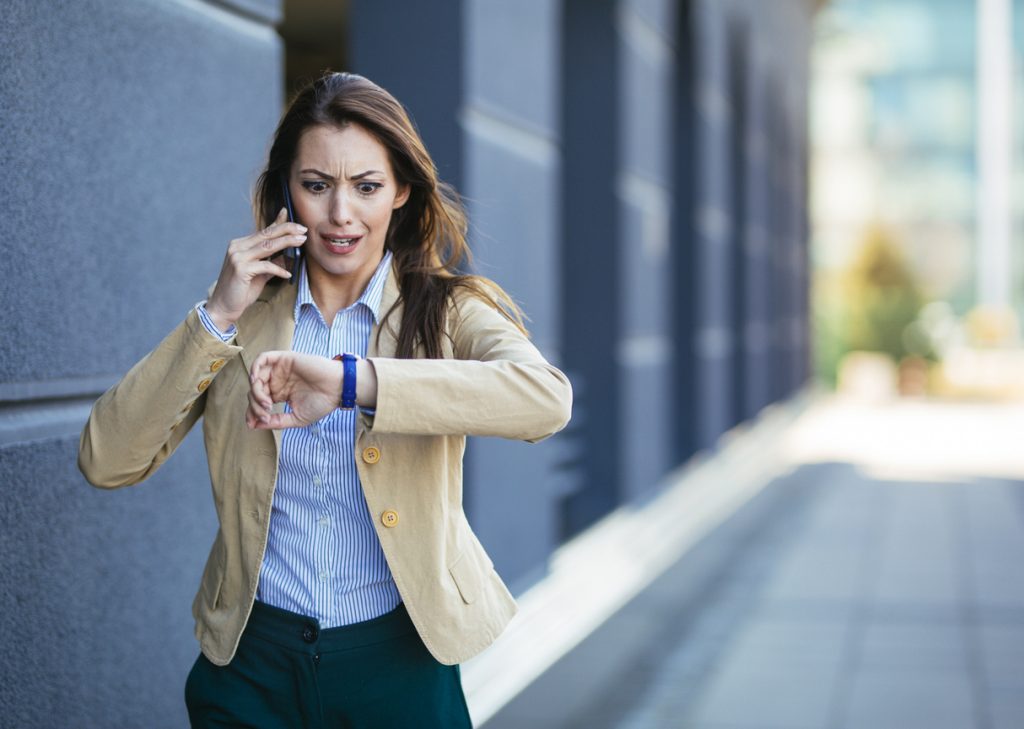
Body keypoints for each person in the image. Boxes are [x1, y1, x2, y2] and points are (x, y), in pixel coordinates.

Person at [78, 71, 572, 728]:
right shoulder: (244, 318)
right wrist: (217, 315)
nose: (341, 214)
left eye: (366, 186)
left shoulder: (449, 309)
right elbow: (107, 458)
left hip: (399, 665)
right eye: (317, 186)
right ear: (290, 189)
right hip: (251, 667)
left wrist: (351, 381)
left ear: (400, 189)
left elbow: (544, 398)